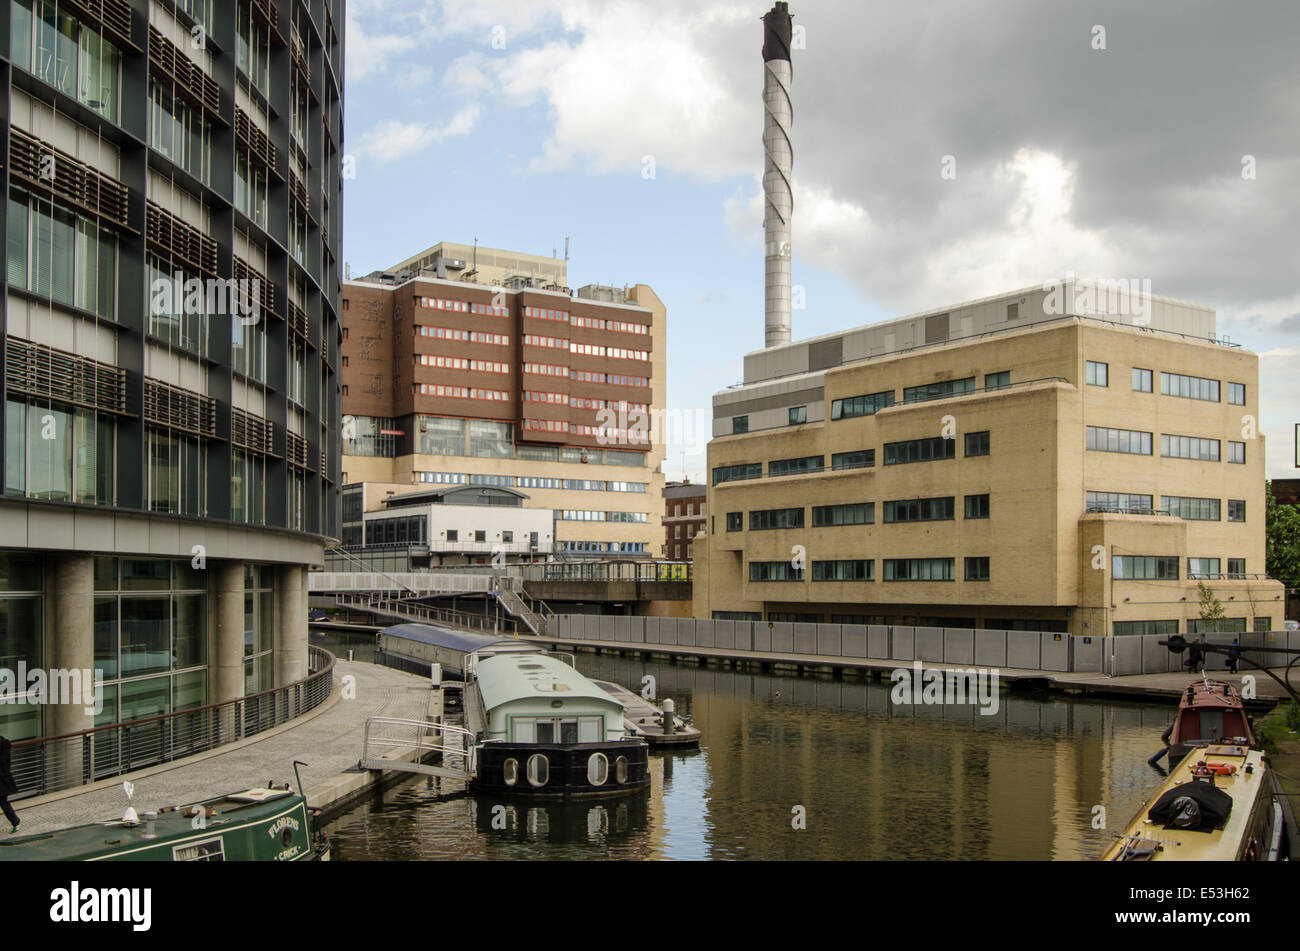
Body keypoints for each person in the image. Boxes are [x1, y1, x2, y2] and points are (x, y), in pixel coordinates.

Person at [0, 735, 19, 834]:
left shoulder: (5, 744)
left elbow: (3, 760)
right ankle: (15, 821)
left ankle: (15, 822)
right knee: (3, 803)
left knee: (3, 803)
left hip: (2, 779)